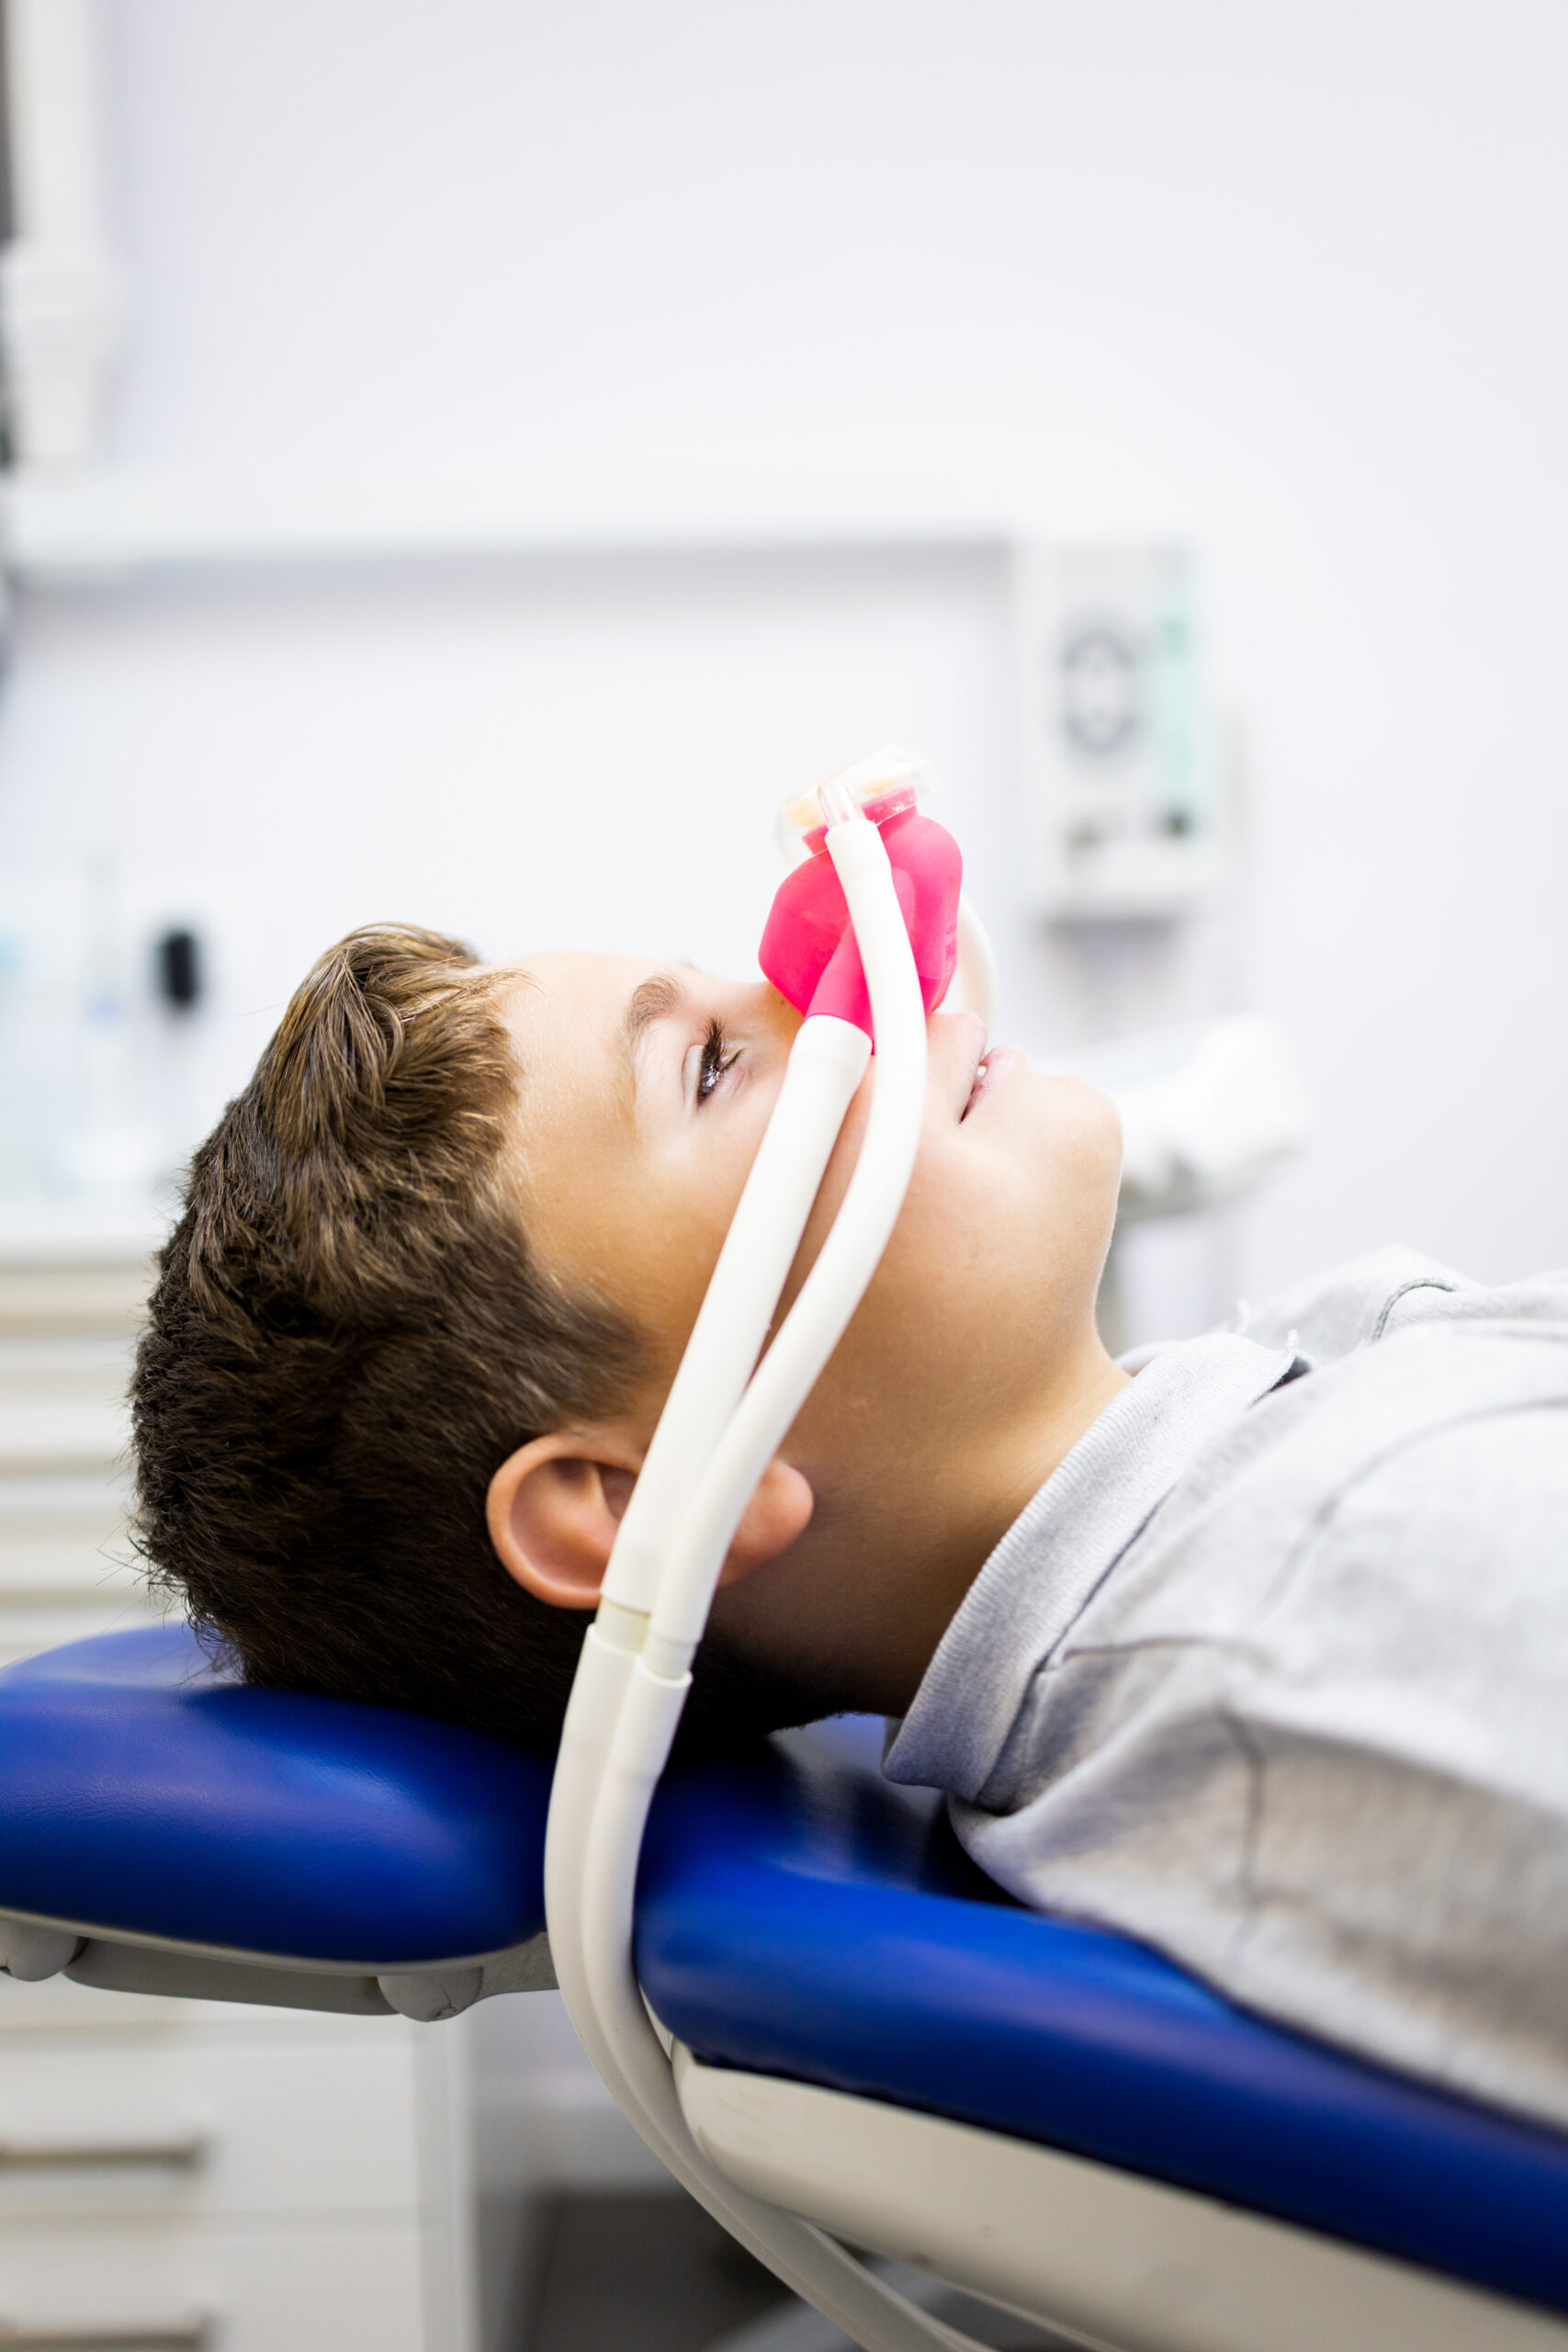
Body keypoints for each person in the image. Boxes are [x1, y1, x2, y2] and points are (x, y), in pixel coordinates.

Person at [132, 923, 1568, 2134]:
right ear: (644, 1505)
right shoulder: (1326, 1615)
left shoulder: (1280, 1459)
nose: (838, 999)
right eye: (711, 1066)